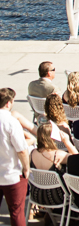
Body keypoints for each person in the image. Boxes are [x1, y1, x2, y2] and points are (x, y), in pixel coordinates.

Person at [0, 88, 30, 226]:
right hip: (12, 174)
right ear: (8, 103)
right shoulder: (11, 122)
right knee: (16, 213)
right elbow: (22, 150)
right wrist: (26, 168)